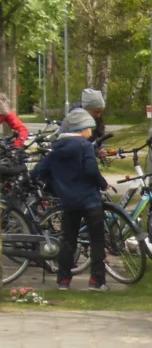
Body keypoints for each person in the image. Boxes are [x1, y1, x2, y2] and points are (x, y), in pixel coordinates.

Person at [31, 108, 110, 291]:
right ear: (81, 129)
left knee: (68, 241)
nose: (91, 132)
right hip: (90, 200)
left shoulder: (56, 149)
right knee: (97, 240)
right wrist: (103, 184)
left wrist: (54, 186)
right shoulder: (85, 146)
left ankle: (63, 280)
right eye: (89, 128)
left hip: (68, 201)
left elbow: (38, 172)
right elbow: (91, 170)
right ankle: (96, 281)